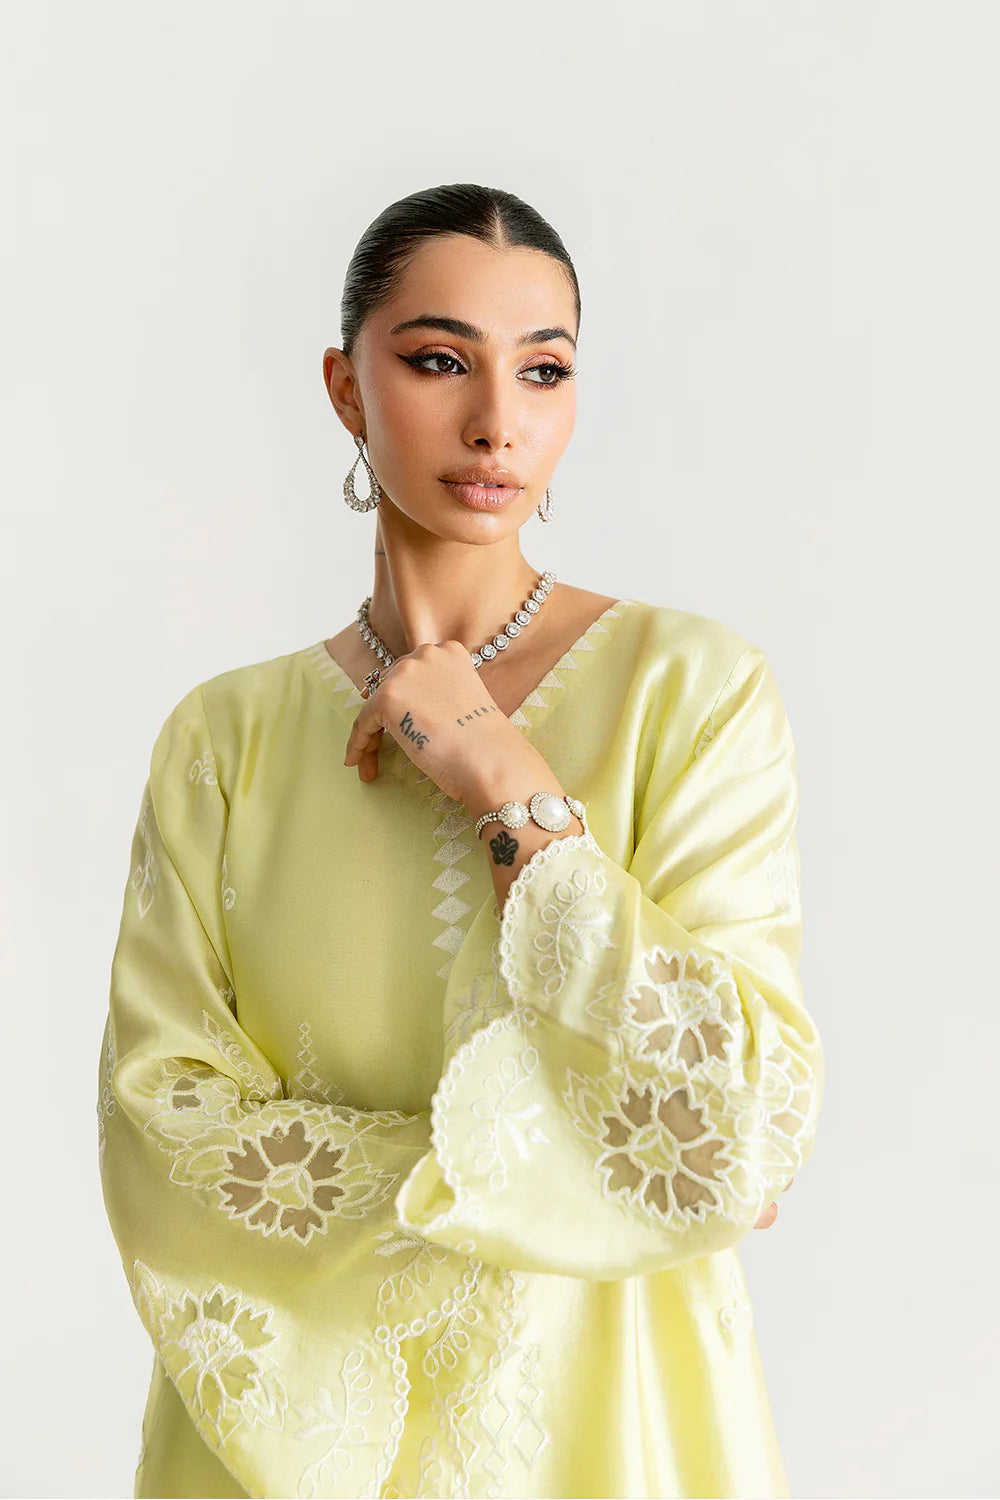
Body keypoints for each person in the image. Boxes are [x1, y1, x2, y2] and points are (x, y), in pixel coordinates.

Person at [97, 182, 824, 1500]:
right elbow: (166, 1128)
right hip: (289, 1452)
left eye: (543, 371)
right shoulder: (224, 740)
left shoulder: (690, 692)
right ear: (345, 387)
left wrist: (502, 776)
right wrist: (584, 1179)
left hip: (610, 1423)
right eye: (440, 361)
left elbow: (738, 1121)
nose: (497, 422)